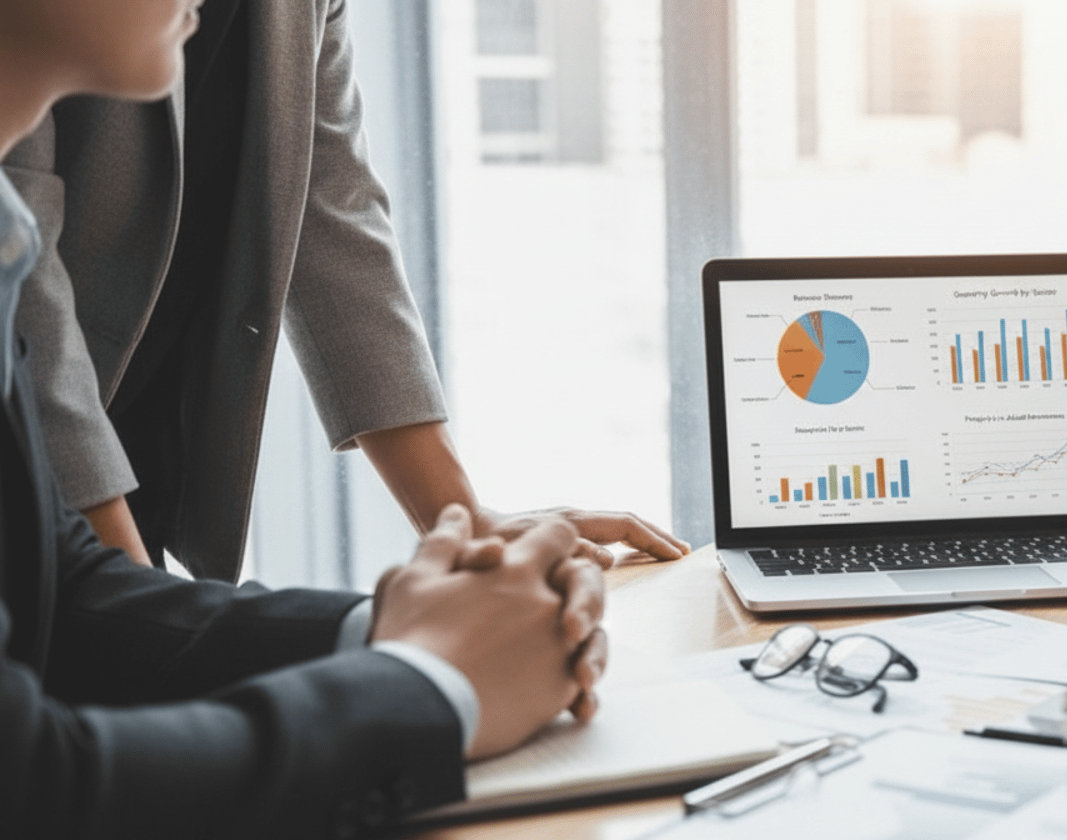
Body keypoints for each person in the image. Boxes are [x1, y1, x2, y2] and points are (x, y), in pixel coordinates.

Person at [0, 4, 610, 835]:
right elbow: (39, 782)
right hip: (75, 422)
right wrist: (425, 687)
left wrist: (429, 618)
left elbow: (73, 601)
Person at [1, 0, 688, 580]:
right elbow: (27, 296)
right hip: (39, 437)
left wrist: (462, 522)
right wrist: (144, 615)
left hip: (140, 445)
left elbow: (331, 200)